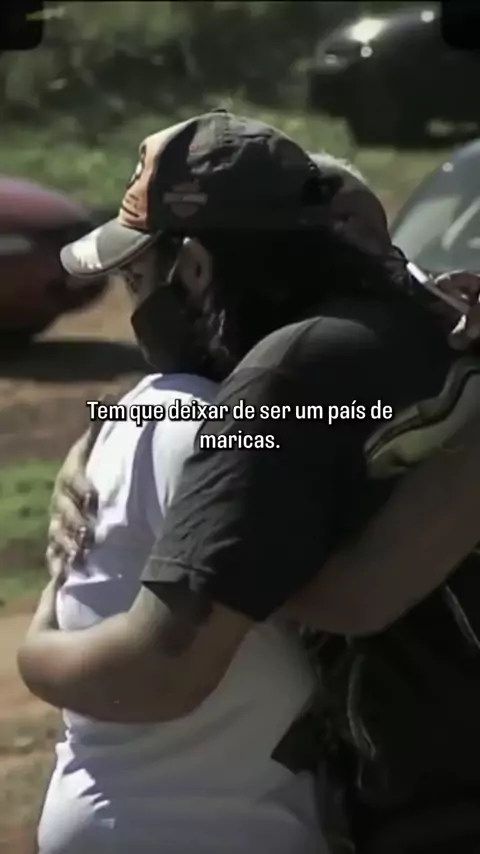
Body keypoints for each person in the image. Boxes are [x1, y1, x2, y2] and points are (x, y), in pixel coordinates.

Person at [17, 111, 480, 854]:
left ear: (195, 269)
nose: (135, 310)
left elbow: (163, 670)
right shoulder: (429, 328)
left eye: (136, 277)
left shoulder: (286, 377)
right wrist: (112, 425)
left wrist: (37, 643)